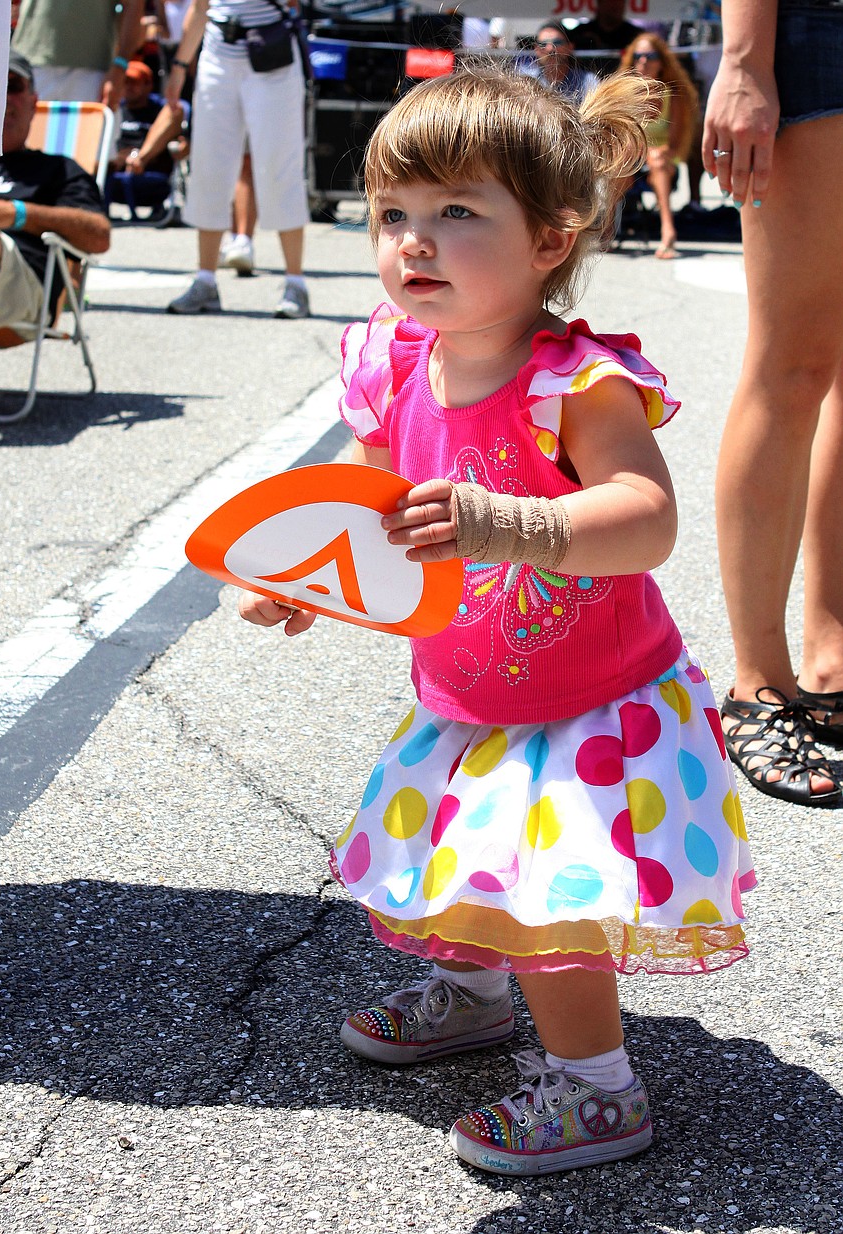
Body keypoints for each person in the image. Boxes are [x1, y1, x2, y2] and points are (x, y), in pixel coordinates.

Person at [237, 64, 754, 1175]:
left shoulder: (574, 382)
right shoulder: (392, 356)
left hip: (588, 701)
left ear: (551, 240)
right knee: (458, 860)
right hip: (470, 688)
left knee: (546, 902)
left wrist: (504, 520)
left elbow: (646, 516)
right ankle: (472, 996)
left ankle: (596, 1089)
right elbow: (364, 504)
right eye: (393, 215)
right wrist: (292, 575)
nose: (412, 242)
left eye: (457, 213)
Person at [703, 1, 843, 808]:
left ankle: (832, 663)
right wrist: (747, 59)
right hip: (817, 34)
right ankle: (758, 683)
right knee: (790, 367)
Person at [164, 0, 310, 318]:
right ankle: (205, 280)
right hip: (218, 52)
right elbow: (200, 6)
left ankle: (295, 283)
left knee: (279, 165)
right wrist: (179, 67)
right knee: (208, 164)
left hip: (272, 52)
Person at [0, 51, 111, 337]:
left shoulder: (57, 169)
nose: (5, 98)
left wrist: (17, 214)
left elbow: (99, 235)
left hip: (21, 290)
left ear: (34, 103)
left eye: (14, 86)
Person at [619, 33, 699, 259]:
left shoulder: (672, 95)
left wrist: (653, 153)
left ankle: (668, 229)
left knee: (658, 159)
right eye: (639, 56)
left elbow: (673, 144)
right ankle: (605, 229)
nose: (644, 61)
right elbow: (621, 135)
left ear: (661, 62)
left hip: (663, 158)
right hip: (633, 156)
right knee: (621, 162)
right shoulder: (624, 92)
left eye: (650, 56)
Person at [11, 0, 146, 110]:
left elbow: (133, 4)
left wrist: (119, 67)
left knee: (91, 142)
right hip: (27, 66)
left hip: (92, 72)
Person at [105, 60, 184, 219]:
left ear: (148, 86)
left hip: (150, 173)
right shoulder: (113, 110)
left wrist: (139, 157)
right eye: (125, 82)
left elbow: (182, 144)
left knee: (175, 110)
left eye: (134, 82)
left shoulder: (160, 111)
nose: (129, 87)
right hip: (114, 171)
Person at [527, 21, 598, 103]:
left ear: (570, 47)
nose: (550, 49)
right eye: (543, 44)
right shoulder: (526, 81)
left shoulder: (588, 82)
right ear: (536, 49)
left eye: (557, 42)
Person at [569, 0, 639, 77]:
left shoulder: (636, 35)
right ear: (599, 3)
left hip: (623, 82)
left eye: (621, 1)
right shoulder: (579, 33)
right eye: (611, 2)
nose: (616, 5)